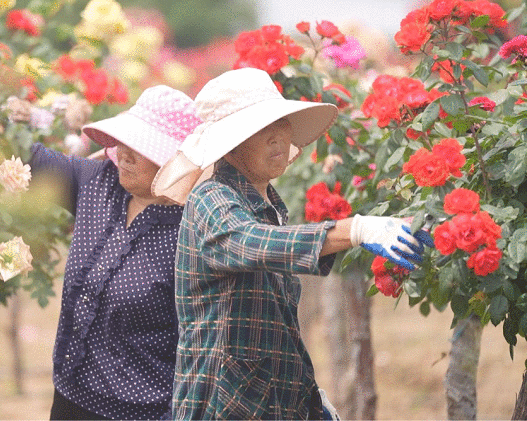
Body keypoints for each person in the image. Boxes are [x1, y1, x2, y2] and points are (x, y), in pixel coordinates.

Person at [151, 68, 434, 420]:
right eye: (259, 129)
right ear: (231, 144)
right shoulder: (211, 199)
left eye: (280, 123)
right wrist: (355, 229)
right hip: (221, 407)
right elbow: (249, 243)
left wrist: (311, 399)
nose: (276, 136)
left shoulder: (268, 205)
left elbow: (280, 327)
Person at [28, 85, 202, 420]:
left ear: (174, 162)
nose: (123, 152)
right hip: (70, 396)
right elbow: (26, 158)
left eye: (140, 146)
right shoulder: (97, 181)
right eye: (124, 139)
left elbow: (196, 345)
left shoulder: (190, 230)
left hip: (143, 412)